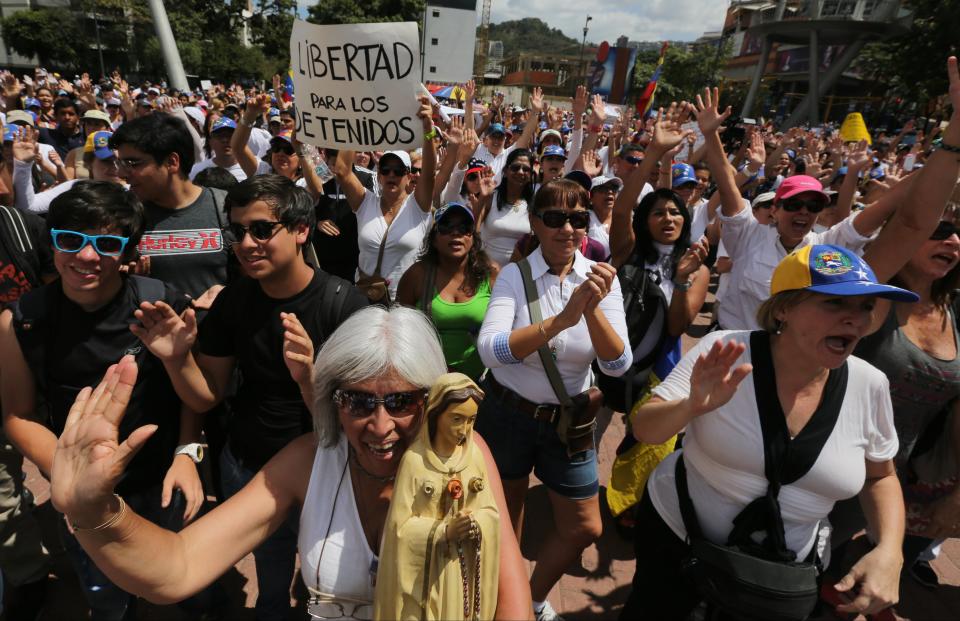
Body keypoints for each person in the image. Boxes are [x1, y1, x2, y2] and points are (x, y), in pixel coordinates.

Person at [47, 306, 532, 620]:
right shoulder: (308, 461)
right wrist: (93, 512)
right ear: (331, 400)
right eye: (358, 401)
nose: (381, 425)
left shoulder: (467, 459)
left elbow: (512, 609)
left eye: (403, 401)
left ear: (430, 401)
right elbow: (178, 567)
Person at [622, 244, 917, 620]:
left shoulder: (870, 384)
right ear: (783, 308)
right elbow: (645, 428)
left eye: (865, 307)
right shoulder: (724, 351)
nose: (855, 320)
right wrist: (690, 406)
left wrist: (891, 550)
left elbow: (881, 476)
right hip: (678, 545)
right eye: (834, 303)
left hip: (781, 576)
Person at [131, 175, 369, 621]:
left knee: (334, 572)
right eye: (236, 231)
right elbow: (206, 396)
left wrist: (310, 380)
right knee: (271, 568)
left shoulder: (345, 305)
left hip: (326, 468)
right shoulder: (234, 301)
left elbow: (362, 418)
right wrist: (176, 359)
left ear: (301, 230)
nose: (246, 242)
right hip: (250, 466)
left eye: (261, 229)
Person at [0, 180, 219, 621]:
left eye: (106, 244)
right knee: (106, 594)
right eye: (70, 240)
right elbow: (18, 415)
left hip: (163, 478)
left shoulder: (159, 305)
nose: (86, 257)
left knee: (189, 579)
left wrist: (187, 453)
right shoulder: (20, 322)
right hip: (83, 494)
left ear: (127, 252)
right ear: (53, 242)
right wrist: (74, 477)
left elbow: (198, 400)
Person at [476, 178, 631, 621]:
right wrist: (562, 320)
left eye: (578, 219)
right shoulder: (513, 275)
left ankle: (532, 596)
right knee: (507, 520)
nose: (567, 229)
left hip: (568, 422)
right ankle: (506, 604)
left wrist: (591, 307)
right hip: (508, 413)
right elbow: (492, 349)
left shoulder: (602, 280)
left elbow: (619, 364)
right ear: (535, 223)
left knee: (585, 525)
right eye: (555, 218)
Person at [374, 372, 500, 621]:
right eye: (456, 419)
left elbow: (490, 513)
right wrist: (444, 532)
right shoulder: (415, 462)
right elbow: (399, 528)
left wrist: (476, 524)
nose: (464, 429)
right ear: (435, 415)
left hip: (460, 573)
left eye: (471, 420)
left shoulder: (473, 457)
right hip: (424, 580)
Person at [110, 113, 230, 303]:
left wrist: (227, 295)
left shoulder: (225, 208)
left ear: (172, 162)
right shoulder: (124, 216)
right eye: (120, 163)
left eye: (132, 163)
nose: (121, 173)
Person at [332, 97, 437, 302]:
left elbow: (430, 173)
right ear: (378, 175)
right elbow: (343, 170)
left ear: (409, 175)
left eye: (398, 170)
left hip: (404, 303)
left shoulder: (419, 205)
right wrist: (354, 119)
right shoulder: (365, 203)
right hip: (363, 298)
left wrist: (428, 130)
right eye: (386, 170)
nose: (391, 175)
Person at [396, 202, 499, 381]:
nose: (456, 233)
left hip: (479, 382)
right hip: (427, 380)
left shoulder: (491, 274)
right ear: (434, 239)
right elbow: (399, 330)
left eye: (464, 227)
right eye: (446, 227)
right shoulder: (416, 275)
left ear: (472, 237)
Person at [13, 130, 123, 215]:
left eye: (120, 161)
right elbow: (28, 206)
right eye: (106, 161)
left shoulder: (133, 191)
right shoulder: (73, 187)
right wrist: (23, 165)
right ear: (89, 162)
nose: (115, 166)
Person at [478, 148, 536, 267]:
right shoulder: (491, 196)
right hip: (485, 270)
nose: (520, 172)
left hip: (517, 275)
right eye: (515, 167)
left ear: (531, 175)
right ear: (505, 171)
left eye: (526, 169)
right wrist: (482, 198)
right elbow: (473, 228)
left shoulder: (534, 204)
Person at [190, 117, 247, 182]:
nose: (225, 140)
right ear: (210, 142)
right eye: (220, 136)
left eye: (230, 135)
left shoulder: (251, 168)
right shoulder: (197, 170)